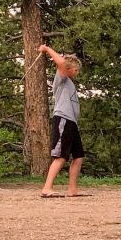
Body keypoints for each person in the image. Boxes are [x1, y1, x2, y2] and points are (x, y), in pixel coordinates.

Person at [38, 43, 85, 198]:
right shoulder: (61, 78)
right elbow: (61, 63)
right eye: (76, 70)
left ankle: (72, 190)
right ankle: (47, 188)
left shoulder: (70, 83)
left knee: (78, 156)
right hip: (63, 119)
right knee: (61, 156)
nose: (77, 73)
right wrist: (46, 49)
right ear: (69, 69)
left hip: (72, 123)